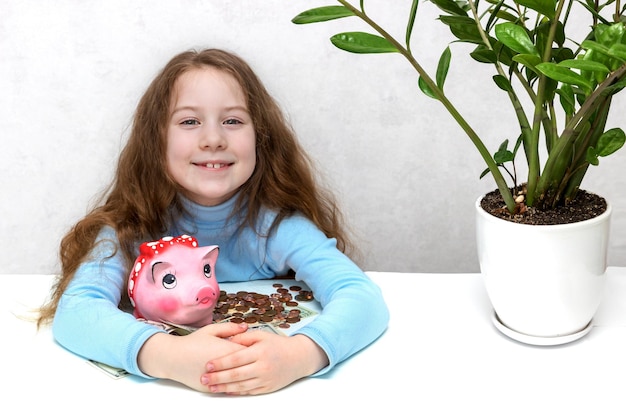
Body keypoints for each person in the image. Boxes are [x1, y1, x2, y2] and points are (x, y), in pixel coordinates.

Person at [37, 48, 389, 395]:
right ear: (156, 140)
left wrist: (300, 355)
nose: (213, 140)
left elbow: (360, 297)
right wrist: (168, 356)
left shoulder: (278, 227)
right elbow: (77, 311)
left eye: (233, 121)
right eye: (189, 121)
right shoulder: (129, 228)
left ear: (260, 138)